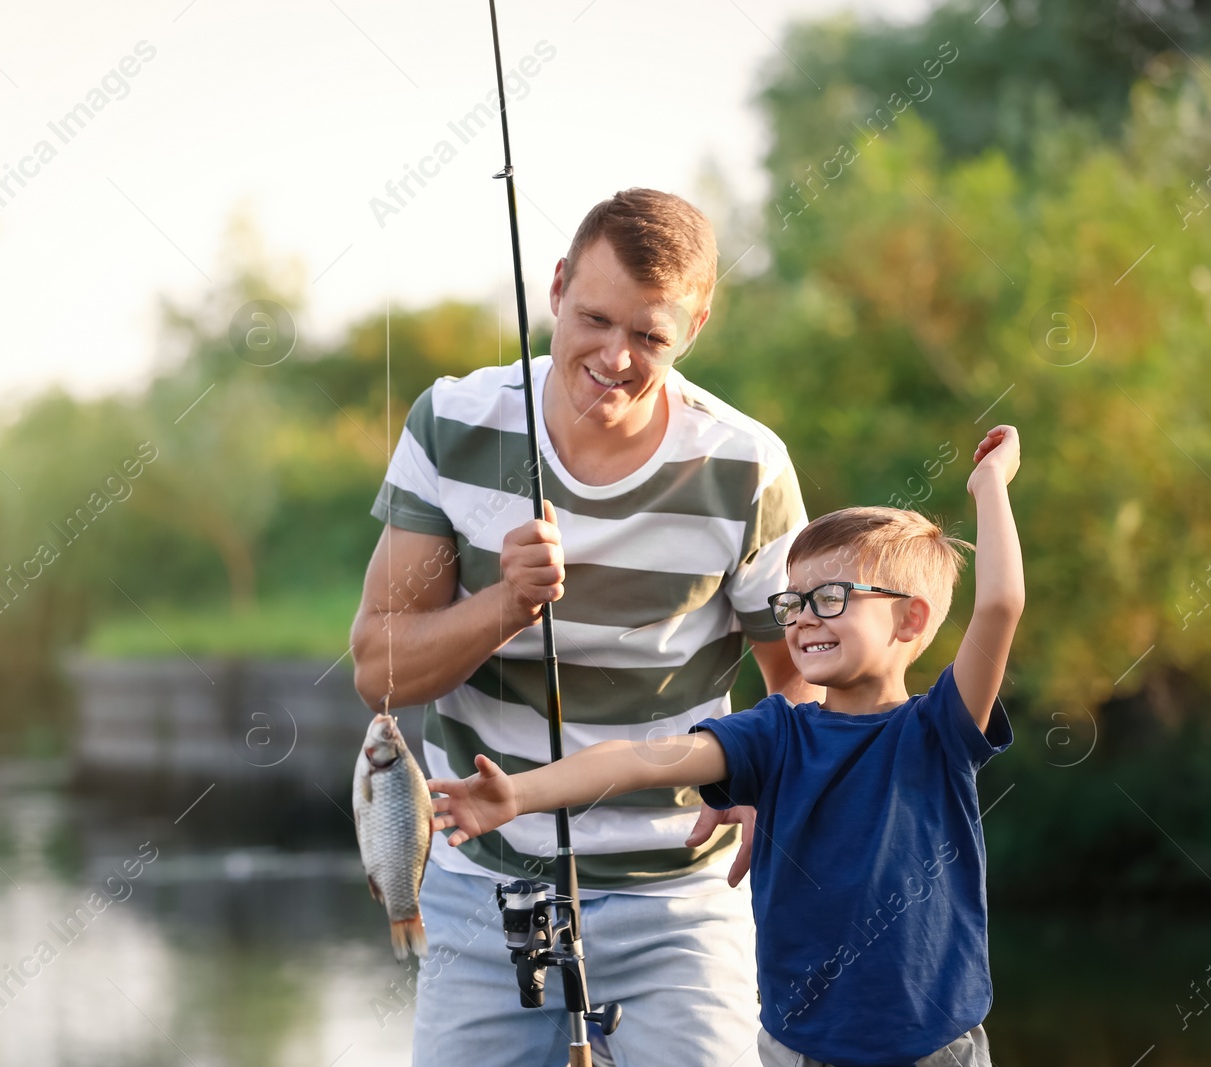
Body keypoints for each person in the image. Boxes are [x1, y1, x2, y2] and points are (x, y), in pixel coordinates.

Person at [350, 187, 822, 1066]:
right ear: (559, 285)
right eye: (596, 318)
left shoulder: (745, 464)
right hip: (479, 885)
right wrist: (504, 604)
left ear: (696, 327)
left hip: (677, 897)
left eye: (650, 336)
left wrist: (775, 779)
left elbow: (799, 677)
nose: (616, 356)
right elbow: (377, 664)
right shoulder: (454, 424)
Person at [427, 425, 1023, 1067]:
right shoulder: (774, 734)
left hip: (933, 1049)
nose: (802, 619)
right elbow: (640, 761)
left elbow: (1000, 601)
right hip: (798, 1049)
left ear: (912, 618)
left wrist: (990, 486)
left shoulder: (939, 730)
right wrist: (517, 793)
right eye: (791, 602)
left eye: (830, 599)